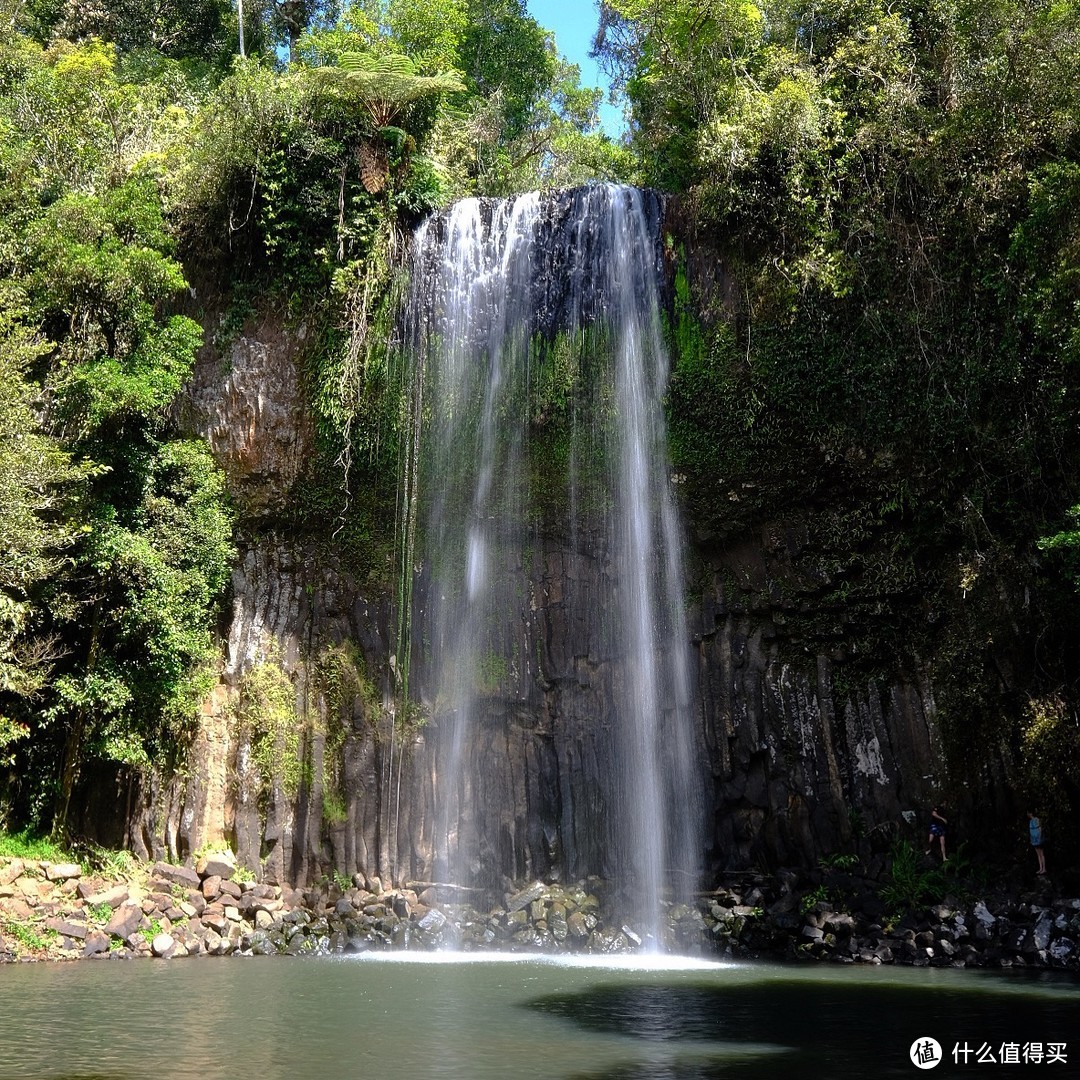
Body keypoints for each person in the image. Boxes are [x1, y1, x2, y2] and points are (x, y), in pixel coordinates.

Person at [1027, 809, 1047, 876]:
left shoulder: (1037, 819)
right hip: (1034, 840)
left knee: (1041, 854)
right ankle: (1040, 868)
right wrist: (1032, 839)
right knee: (1038, 854)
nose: (1027, 814)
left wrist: (1039, 838)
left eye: (1028, 813)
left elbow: (1040, 829)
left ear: (1031, 813)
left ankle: (1044, 869)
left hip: (1038, 839)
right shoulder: (1030, 821)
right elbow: (1031, 832)